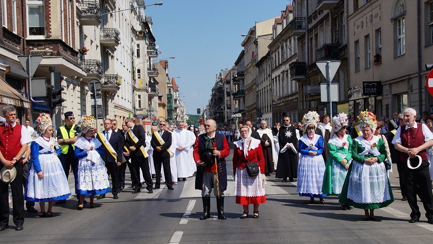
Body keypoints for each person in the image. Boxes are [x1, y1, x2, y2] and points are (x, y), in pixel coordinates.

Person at [340, 111, 394, 221]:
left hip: (375, 167)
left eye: (367, 130)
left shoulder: (378, 140)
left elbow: (384, 153)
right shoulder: (356, 141)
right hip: (362, 167)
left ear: (372, 130)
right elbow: (354, 154)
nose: (365, 132)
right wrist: (364, 159)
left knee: (373, 188)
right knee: (364, 188)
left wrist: (377, 159)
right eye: (363, 130)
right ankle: (365, 212)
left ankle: (372, 211)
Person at [392, 108, 433, 224]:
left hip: (422, 162)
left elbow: (431, 141)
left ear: (414, 117)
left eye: (407, 116)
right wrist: (407, 150)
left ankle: (430, 213)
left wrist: (417, 149)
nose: (405, 118)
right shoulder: (401, 129)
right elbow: (396, 144)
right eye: (404, 116)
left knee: (426, 188)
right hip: (407, 162)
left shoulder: (422, 127)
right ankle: (415, 214)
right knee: (410, 189)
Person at [26, 113, 70, 217]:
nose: (51, 132)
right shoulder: (37, 141)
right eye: (49, 130)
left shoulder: (53, 140)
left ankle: (50, 209)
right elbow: (34, 156)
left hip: (52, 166)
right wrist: (38, 170)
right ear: (44, 129)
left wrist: (56, 153)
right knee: (41, 186)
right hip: (42, 164)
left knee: (51, 185)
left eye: (51, 130)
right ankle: (42, 210)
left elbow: (58, 149)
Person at [0, 105, 31, 231]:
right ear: (5, 116)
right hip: (2, 163)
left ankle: (18, 221)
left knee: (17, 192)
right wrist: (3, 160)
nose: (13, 117)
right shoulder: (0, 128)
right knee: (2, 193)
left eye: (14, 115)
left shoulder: (21, 128)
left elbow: (24, 146)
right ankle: (3, 221)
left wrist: (14, 160)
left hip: (16, 163)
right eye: (11, 115)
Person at [193, 119, 230, 220]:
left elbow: (227, 150)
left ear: (214, 127)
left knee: (219, 191)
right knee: (205, 191)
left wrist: (220, 153)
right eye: (205, 126)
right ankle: (206, 212)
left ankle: (220, 212)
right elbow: (196, 151)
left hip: (218, 168)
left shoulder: (221, 137)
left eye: (208, 126)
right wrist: (197, 161)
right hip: (205, 168)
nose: (206, 127)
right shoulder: (200, 138)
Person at [74, 116, 111, 210]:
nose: (92, 132)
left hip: (94, 164)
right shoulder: (80, 141)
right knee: (84, 182)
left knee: (93, 182)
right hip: (84, 165)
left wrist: (94, 151)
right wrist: (86, 152)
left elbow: (101, 151)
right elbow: (76, 154)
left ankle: (92, 201)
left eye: (92, 130)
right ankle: (81, 202)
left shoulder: (95, 141)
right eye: (90, 130)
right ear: (85, 131)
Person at [233, 126, 266, 218]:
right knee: (244, 192)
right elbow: (235, 159)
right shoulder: (238, 144)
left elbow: (261, 158)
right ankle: (245, 211)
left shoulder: (256, 143)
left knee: (256, 191)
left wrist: (261, 172)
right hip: (242, 170)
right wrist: (235, 171)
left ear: (249, 131)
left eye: (245, 131)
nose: (244, 133)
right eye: (242, 131)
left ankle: (256, 210)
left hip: (253, 170)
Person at [322, 113, 352, 209]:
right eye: (343, 128)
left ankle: (347, 200)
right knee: (340, 181)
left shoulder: (348, 138)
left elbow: (351, 149)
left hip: (348, 160)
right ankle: (342, 201)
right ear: (338, 129)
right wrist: (342, 161)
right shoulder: (332, 140)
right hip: (337, 163)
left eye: (345, 128)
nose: (345, 130)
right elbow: (333, 153)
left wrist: (347, 159)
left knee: (348, 181)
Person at [297, 111, 326, 204]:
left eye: (312, 128)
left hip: (317, 160)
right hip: (307, 160)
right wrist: (308, 152)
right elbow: (300, 149)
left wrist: (316, 152)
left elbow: (322, 148)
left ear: (315, 128)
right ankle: (311, 195)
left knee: (318, 177)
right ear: (306, 129)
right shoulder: (303, 138)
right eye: (309, 128)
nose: (311, 130)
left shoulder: (318, 137)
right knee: (309, 178)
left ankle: (321, 196)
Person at [56, 111, 80, 204]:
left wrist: (65, 140)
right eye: (70, 118)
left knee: (77, 175)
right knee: (63, 176)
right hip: (64, 154)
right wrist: (70, 140)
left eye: (73, 118)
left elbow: (75, 140)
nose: (73, 120)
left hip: (75, 153)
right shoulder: (60, 129)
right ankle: (62, 197)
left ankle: (79, 196)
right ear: (66, 119)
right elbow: (59, 141)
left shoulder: (77, 128)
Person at [96, 118, 123, 199]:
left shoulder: (117, 135)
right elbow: (98, 147)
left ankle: (115, 192)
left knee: (115, 176)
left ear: (111, 125)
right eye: (105, 123)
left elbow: (119, 149)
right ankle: (103, 193)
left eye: (108, 123)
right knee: (103, 176)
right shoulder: (100, 135)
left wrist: (119, 160)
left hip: (113, 159)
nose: (106, 125)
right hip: (103, 159)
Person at [125, 118, 153, 193]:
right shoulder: (128, 132)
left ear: (130, 122)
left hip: (141, 152)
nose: (126, 124)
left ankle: (149, 186)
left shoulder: (139, 127)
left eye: (126, 122)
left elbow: (142, 139)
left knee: (145, 171)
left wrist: (135, 147)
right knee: (135, 172)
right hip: (133, 154)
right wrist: (129, 147)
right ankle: (137, 186)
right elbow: (126, 142)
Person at [151, 120, 174, 190]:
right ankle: (157, 184)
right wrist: (156, 147)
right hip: (156, 154)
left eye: (163, 125)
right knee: (157, 170)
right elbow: (152, 142)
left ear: (165, 126)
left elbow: (169, 143)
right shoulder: (155, 133)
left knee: (167, 170)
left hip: (164, 153)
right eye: (161, 124)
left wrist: (162, 148)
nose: (162, 126)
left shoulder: (168, 134)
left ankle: (169, 184)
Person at [276, 116, 298, 182]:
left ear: (289, 120)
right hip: (284, 147)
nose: (286, 122)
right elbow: (281, 138)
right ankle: (284, 177)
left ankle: (291, 176)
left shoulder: (293, 128)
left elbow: (294, 138)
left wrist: (291, 145)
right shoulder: (281, 128)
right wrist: (286, 145)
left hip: (291, 148)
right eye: (284, 120)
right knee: (284, 162)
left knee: (291, 162)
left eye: (287, 120)